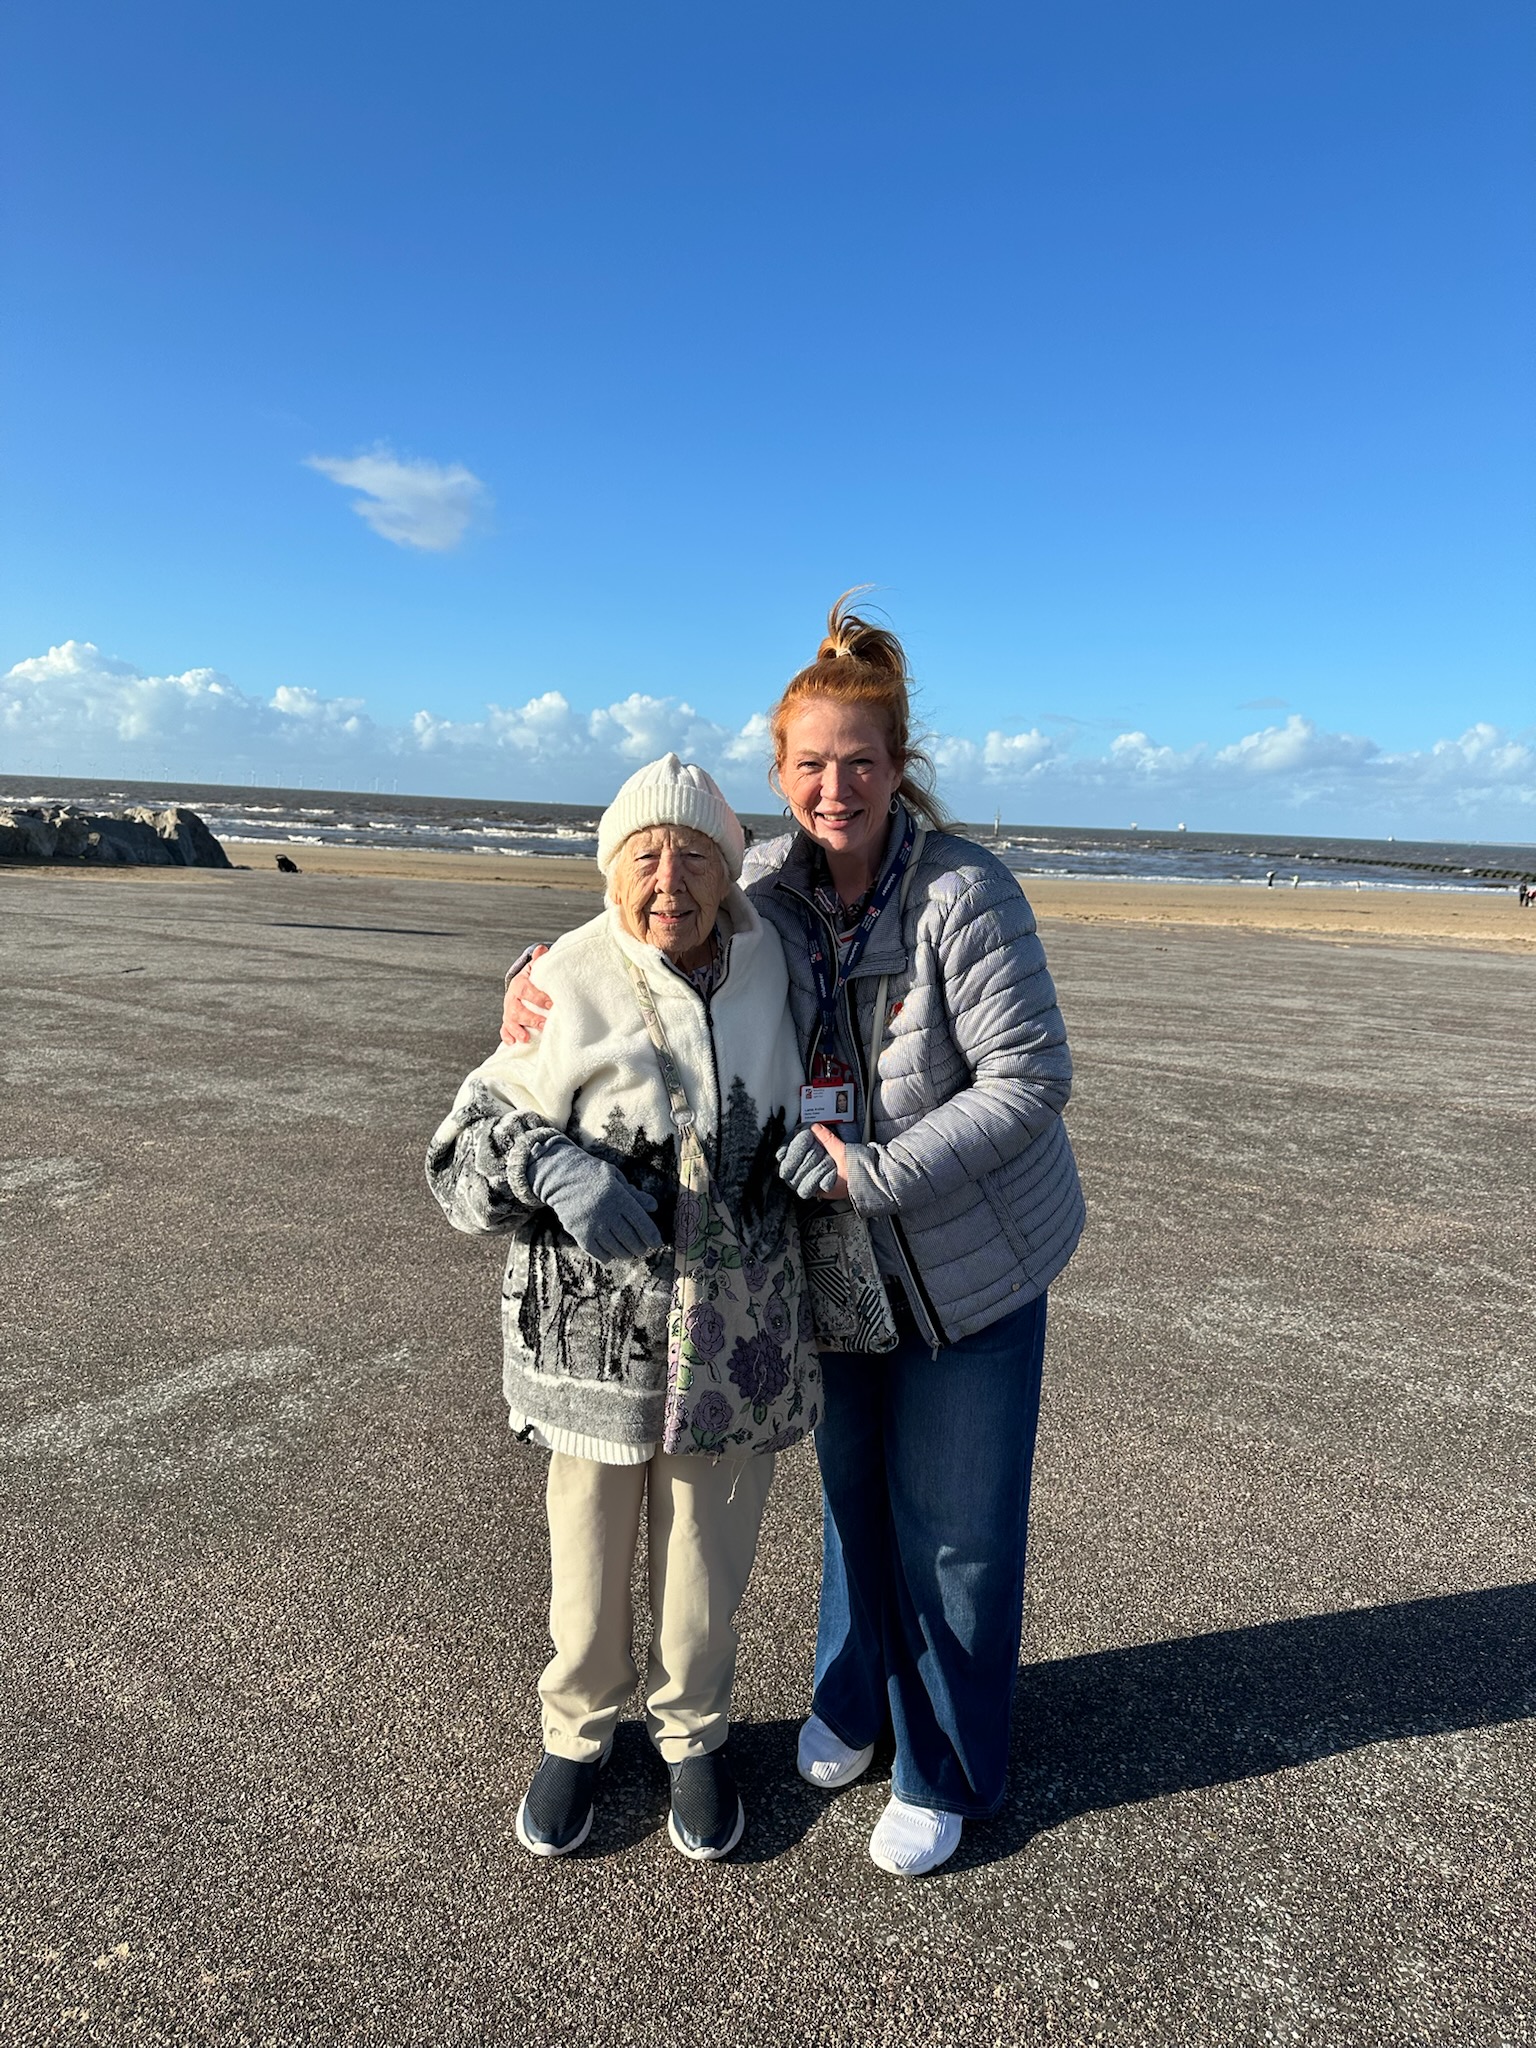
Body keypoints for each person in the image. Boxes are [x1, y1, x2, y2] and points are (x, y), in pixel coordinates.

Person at [504, 599, 1085, 1877]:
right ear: (780, 775)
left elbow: (1030, 1079)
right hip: (833, 1266)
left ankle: (943, 1765)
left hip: (969, 1260)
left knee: (959, 1527)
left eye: (861, 762)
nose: (838, 786)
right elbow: (651, 929)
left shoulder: (965, 893)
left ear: (900, 765)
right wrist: (536, 974)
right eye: (812, 765)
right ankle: (850, 1696)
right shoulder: (764, 885)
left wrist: (871, 1169)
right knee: (850, 1497)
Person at [430, 755, 818, 1863]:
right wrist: (550, 1163)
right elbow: (457, 1147)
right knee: (587, 1549)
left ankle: (693, 1734)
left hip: (738, 1335)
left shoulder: (774, 962)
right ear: (610, 869)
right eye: (645, 854)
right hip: (593, 1346)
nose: (669, 878)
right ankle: (577, 1732)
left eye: (695, 854)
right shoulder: (569, 975)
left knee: (709, 1546)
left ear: (733, 873)